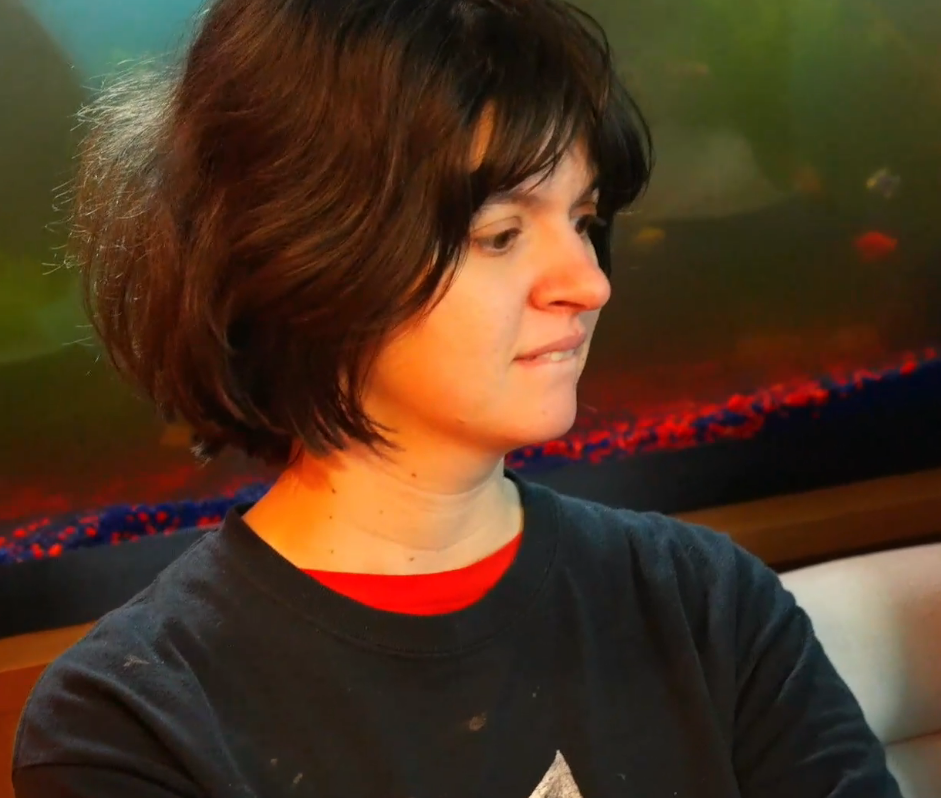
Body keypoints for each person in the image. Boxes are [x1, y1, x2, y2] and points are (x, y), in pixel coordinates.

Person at [13, 1, 901, 796]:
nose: (588, 283)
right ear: (307, 255)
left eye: (583, 221)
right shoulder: (133, 722)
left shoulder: (705, 603)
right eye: (501, 234)